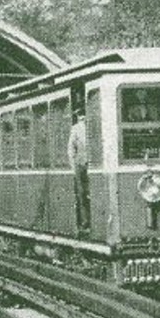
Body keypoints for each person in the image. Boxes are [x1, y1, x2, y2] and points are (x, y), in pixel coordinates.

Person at [68, 86, 91, 233]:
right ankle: (85, 221)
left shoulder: (78, 128)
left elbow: (71, 148)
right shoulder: (76, 129)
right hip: (82, 165)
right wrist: (74, 166)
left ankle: (86, 221)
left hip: (85, 164)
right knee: (83, 194)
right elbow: (71, 149)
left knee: (84, 195)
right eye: (80, 115)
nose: (81, 117)